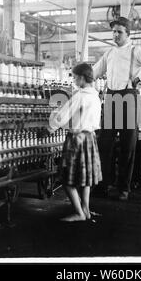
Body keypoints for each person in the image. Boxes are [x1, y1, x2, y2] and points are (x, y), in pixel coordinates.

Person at [92, 16, 141, 201]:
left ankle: (123, 187)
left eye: (119, 32)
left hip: (129, 98)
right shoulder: (108, 53)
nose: (115, 35)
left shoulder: (135, 51)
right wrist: (80, 75)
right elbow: (94, 72)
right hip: (110, 98)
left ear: (128, 34)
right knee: (105, 144)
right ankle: (103, 185)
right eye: (114, 31)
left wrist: (139, 76)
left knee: (127, 145)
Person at [47, 63, 102, 222]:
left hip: (77, 139)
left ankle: (79, 213)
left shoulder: (80, 96)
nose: (74, 80)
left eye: (75, 77)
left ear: (82, 77)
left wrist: (50, 128)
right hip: (90, 138)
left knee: (67, 179)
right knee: (85, 179)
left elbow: (62, 117)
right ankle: (86, 210)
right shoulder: (95, 96)